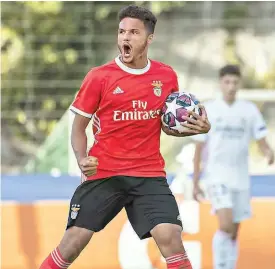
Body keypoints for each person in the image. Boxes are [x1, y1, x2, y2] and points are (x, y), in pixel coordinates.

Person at [39, 5, 210, 269]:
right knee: (72, 245)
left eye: (133, 32)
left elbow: (166, 124)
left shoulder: (165, 76)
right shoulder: (100, 77)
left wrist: (195, 126)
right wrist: (82, 158)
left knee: (171, 237)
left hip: (148, 174)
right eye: (121, 32)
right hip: (105, 172)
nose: (125, 38)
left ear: (149, 38)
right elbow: (77, 128)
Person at [192, 64, 274, 269]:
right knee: (226, 226)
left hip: (241, 179)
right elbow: (199, 148)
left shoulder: (249, 110)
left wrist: (268, 152)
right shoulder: (209, 109)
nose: (231, 86)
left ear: (240, 84)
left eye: (235, 82)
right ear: (220, 83)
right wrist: (195, 181)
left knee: (234, 231)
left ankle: (229, 266)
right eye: (227, 82)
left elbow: (261, 139)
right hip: (217, 177)